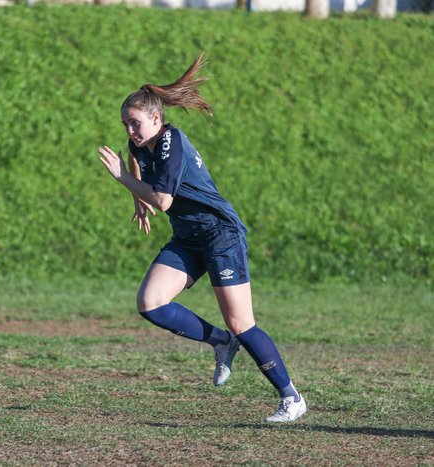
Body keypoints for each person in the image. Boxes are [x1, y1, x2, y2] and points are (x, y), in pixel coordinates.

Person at [97, 54, 307, 423]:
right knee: (151, 303)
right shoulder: (139, 144)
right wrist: (135, 197)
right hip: (188, 236)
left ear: (157, 118)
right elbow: (134, 162)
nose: (130, 130)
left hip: (219, 234)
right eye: (125, 124)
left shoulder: (170, 141)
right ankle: (220, 342)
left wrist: (124, 182)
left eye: (136, 122)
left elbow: (162, 200)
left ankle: (291, 398)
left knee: (242, 323)